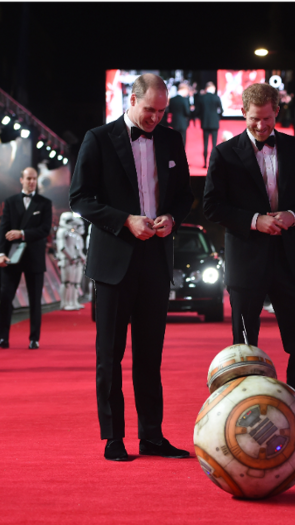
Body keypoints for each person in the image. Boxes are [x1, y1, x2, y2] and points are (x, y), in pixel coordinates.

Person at [69, 73, 194, 462]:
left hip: (156, 259)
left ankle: (152, 436)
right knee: (110, 355)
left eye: (162, 111)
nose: (156, 118)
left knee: (149, 356)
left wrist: (172, 218)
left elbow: (185, 195)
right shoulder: (99, 138)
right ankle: (113, 437)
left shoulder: (172, 139)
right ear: (132, 99)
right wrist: (126, 220)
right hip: (113, 263)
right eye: (149, 110)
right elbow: (80, 198)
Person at [202, 82, 295, 450]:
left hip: (289, 261)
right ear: (244, 114)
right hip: (246, 262)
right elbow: (213, 207)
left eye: (268, 120)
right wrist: (256, 220)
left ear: (277, 114)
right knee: (243, 350)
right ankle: (243, 433)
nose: (261, 127)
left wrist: (290, 214)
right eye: (255, 120)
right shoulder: (223, 153)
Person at [0, 167, 53, 350]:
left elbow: (45, 229)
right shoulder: (10, 202)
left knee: (34, 300)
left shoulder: (44, 203)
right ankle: (2, 338)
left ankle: (34, 338)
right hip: (12, 257)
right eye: (28, 178)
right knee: (6, 298)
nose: (31, 182)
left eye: (34, 179)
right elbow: (3, 229)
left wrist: (22, 233)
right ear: (21, 179)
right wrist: (0, 253)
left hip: (34, 258)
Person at [199, 82, 223, 168]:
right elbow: (221, 110)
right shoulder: (216, 97)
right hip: (214, 123)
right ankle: (213, 163)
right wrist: (217, 118)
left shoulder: (202, 98)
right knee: (214, 144)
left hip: (205, 123)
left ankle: (205, 163)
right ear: (213, 88)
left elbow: (198, 111)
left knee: (205, 144)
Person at [168, 83, 191, 147]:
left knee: (175, 142)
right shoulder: (184, 100)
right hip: (183, 123)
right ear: (184, 89)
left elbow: (170, 110)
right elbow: (187, 112)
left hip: (174, 123)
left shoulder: (172, 99)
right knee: (182, 142)